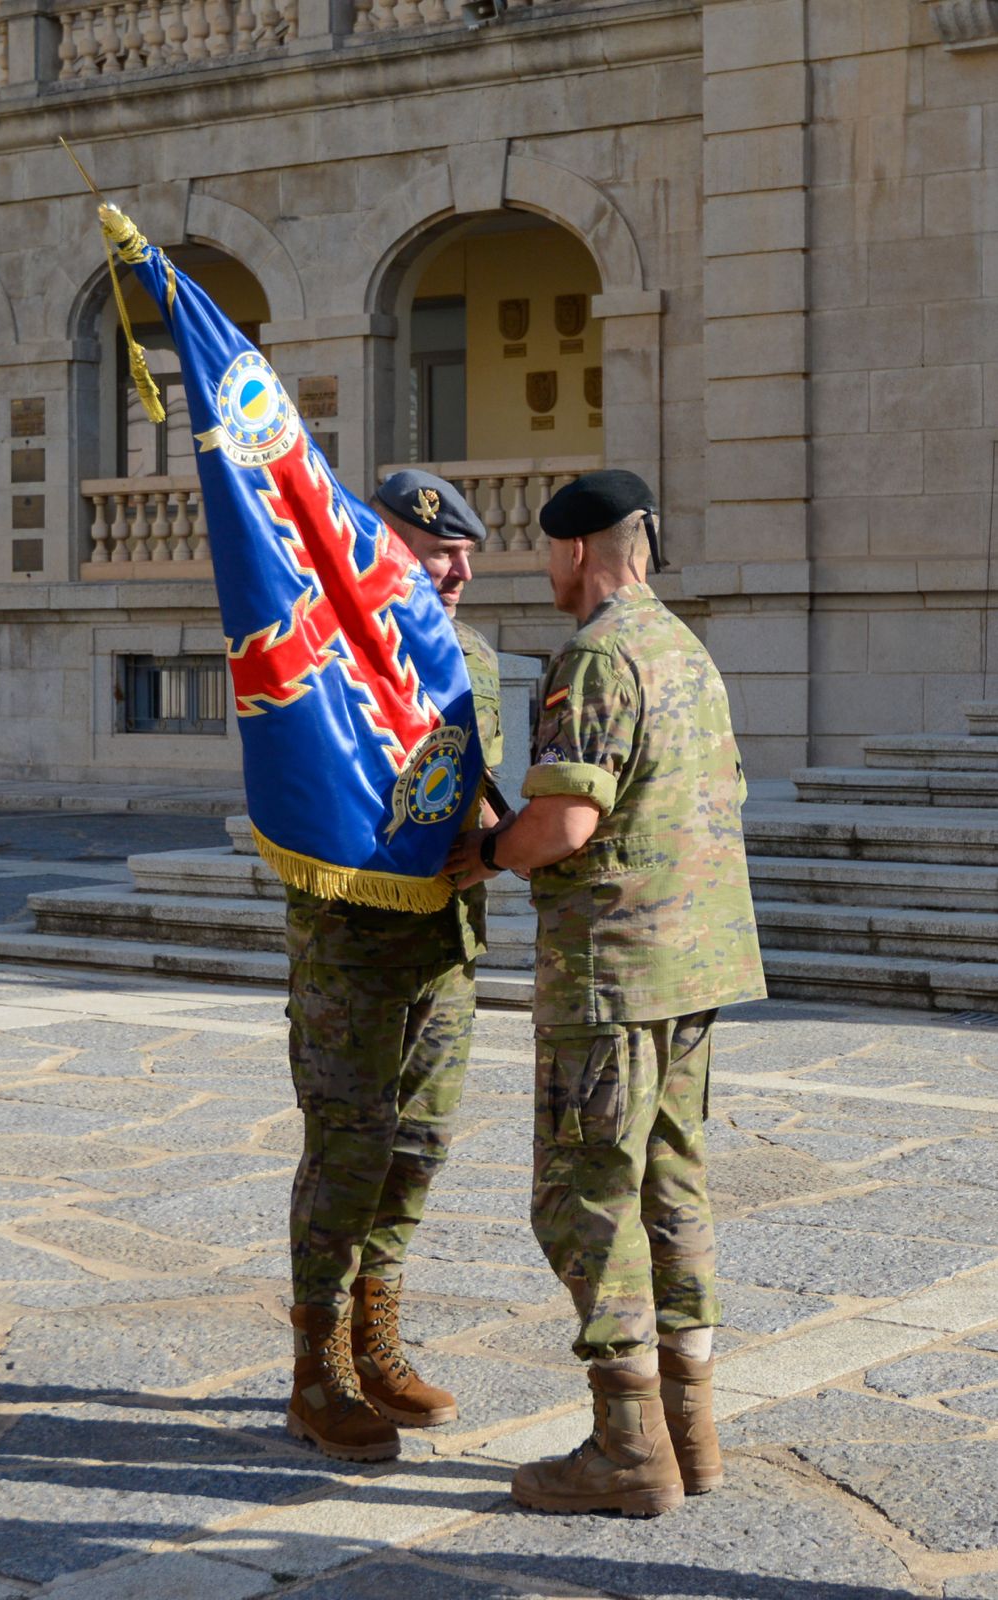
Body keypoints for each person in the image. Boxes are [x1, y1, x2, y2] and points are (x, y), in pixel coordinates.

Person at [448, 469, 766, 1517]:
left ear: (576, 550)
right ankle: (692, 1433)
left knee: (583, 1197)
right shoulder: (684, 648)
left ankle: (625, 1449)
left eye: (546, 551)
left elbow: (564, 828)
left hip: (612, 972)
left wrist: (490, 846)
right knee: (670, 1188)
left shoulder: (594, 657)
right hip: (695, 962)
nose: (544, 569)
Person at [286, 469, 503, 1463]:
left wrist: (506, 835)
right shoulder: (317, 659)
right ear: (383, 552)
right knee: (346, 1156)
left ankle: (377, 1341)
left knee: (415, 1154)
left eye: (466, 554)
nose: (458, 571)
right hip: (352, 961)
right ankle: (314, 1370)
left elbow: (483, 795)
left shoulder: (478, 663)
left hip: (443, 955)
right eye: (437, 552)